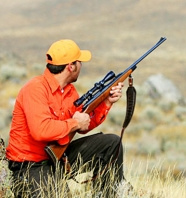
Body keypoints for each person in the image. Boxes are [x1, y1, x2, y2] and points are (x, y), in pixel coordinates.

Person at [6, 39, 125, 197]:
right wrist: (75, 123)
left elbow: (83, 124)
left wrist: (107, 103)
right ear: (71, 66)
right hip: (29, 166)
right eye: (79, 62)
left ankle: (108, 193)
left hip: (58, 159)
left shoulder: (69, 91)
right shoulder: (35, 89)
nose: (81, 66)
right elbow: (41, 130)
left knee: (111, 144)